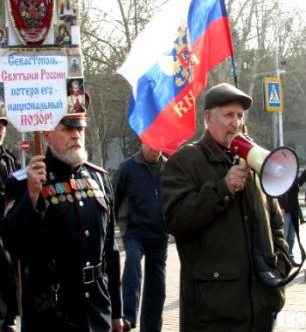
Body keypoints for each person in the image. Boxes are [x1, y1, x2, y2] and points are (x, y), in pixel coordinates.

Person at [162, 83, 291, 332]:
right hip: (214, 312)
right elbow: (176, 220)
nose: (236, 123)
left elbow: (275, 218)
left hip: (261, 306)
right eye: (228, 115)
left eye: (240, 115)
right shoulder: (185, 161)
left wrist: (280, 265)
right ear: (208, 119)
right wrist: (223, 188)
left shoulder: (253, 160)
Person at [2, 112, 123, 332]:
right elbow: (13, 244)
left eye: (80, 129)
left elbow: (110, 252)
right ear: (47, 134)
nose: (76, 135)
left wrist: (117, 311)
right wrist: (31, 197)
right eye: (68, 129)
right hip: (51, 311)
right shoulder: (25, 180)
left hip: (97, 307)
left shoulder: (98, 178)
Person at [113, 143, 168, 332]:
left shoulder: (167, 168)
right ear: (143, 142)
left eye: (159, 148)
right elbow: (114, 197)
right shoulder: (128, 167)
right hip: (133, 230)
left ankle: (151, 327)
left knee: (157, 285)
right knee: (132, 262)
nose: (155, 151)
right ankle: (128, 317)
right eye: (152, 146)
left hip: (159, 234)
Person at [0, 118, 20, 332]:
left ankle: (11, 314)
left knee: (10, 262)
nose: (1, 130)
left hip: (6, 221)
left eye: (3, 126)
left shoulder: (10, 158)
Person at [279, 168, 306, 265]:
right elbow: (277, 193)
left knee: (291, 237)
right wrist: (281, 206)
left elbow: (299, 183)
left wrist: (305, 173)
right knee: (284, 236)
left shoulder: (292, 177)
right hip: (284, 212)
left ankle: (290, 258)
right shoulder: (279, 177)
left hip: (292, 211)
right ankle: (283, 261)